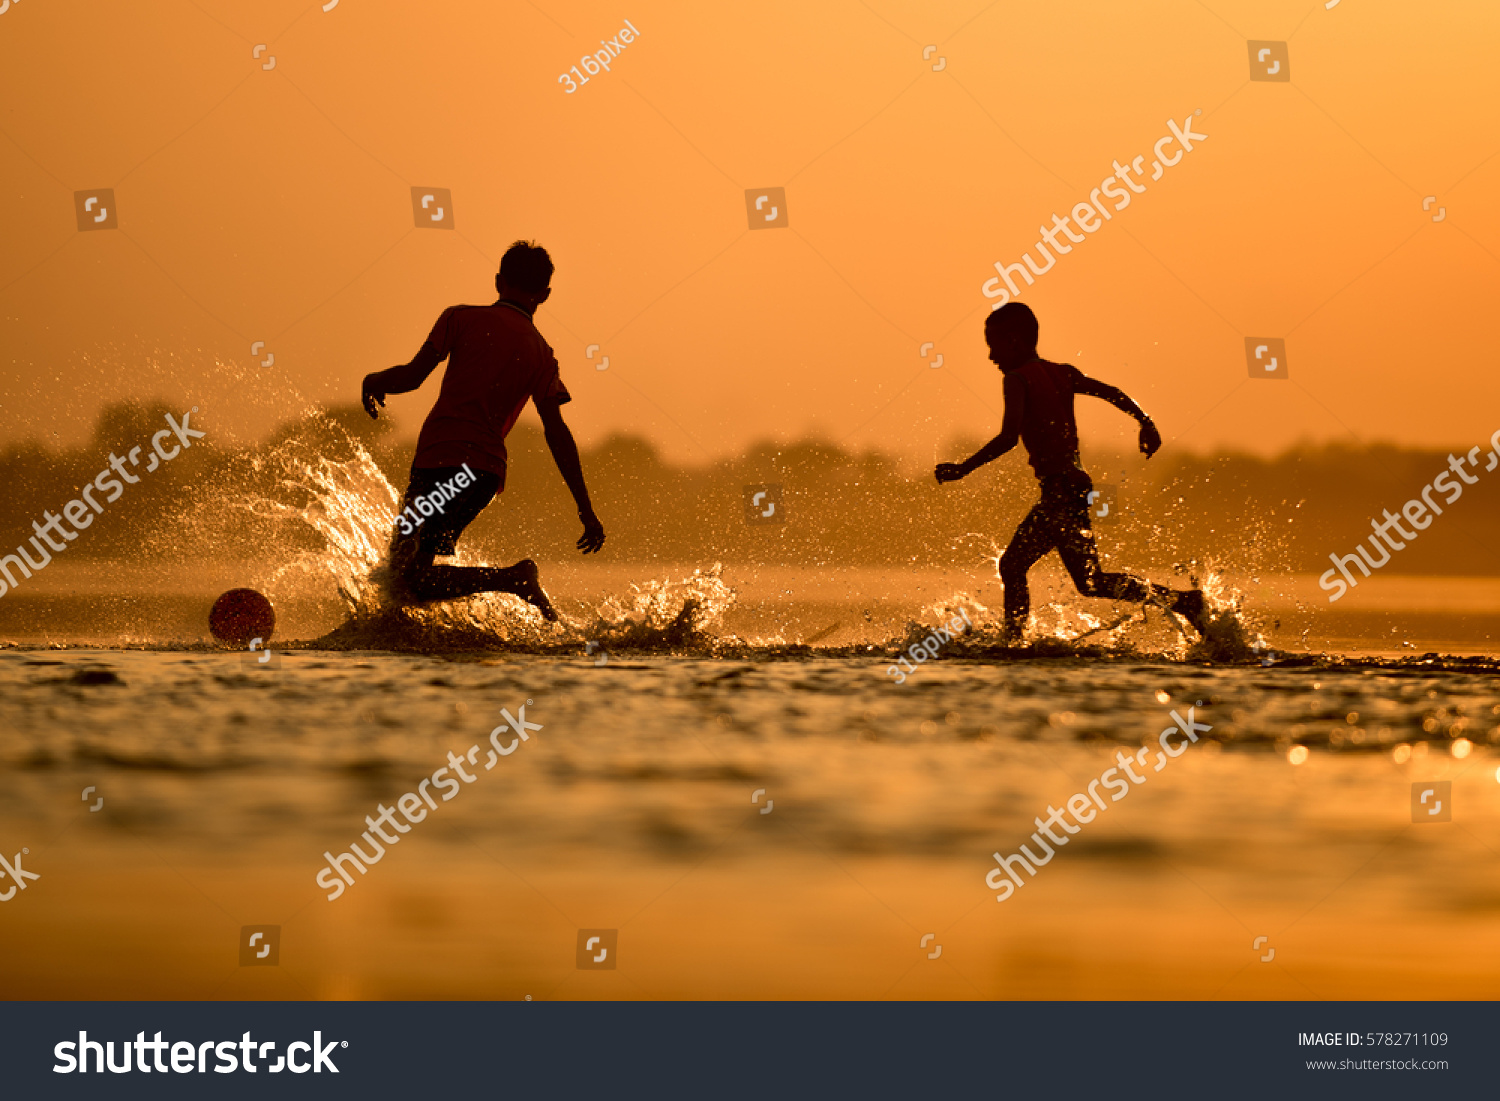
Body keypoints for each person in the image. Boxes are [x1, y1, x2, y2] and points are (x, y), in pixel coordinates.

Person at [360, 240, 605, 620]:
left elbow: (412, 377)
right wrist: (585, 509)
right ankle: (415, 639)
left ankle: (514, 579)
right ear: (544, 294)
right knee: (402, 576)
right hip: (481, 473)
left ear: (497, 281)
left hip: (443, 464)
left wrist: (374, 379)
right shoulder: (542, 353)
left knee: (409, 577)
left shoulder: (459, 318)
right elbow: (556, 432)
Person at [935, 302, 1208, 639]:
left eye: (993, 344)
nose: (991, 355)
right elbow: (1112, 393)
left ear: (1014, 341)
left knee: (1013, 565)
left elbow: (1008, 438)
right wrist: (1145, 421)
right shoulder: (1062, 372)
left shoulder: (1017, 379)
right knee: (1091, 581)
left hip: (1061, 490)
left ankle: (1013, 640)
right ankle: (1183, 602)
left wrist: (963, 468)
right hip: (1076, 487)